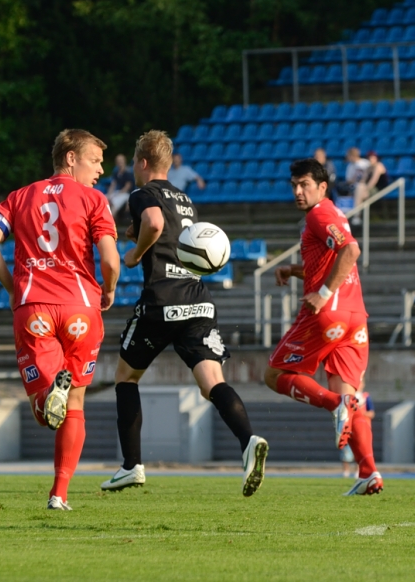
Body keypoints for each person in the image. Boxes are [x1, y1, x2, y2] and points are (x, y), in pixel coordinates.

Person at [101, 130, 268, 497]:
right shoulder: (187, 201)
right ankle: (248, 439)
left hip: (161, 300)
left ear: (142, 163)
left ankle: (131, 467)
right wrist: (140, 236)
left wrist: (134, 254)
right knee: (212, 382)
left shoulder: (141, 193)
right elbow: (172, 236)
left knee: (126, 377)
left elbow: (155, 225)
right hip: (197, 300)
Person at [0, 129, 120, 510]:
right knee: (75, 402)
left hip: (33, 307)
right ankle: (59, 494)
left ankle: (46, 396)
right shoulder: (94, 199)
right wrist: (108, 289)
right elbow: (109, 259)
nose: (100, 170)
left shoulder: (19, 197)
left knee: (44, 415)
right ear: (70, 158)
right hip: (81, 308)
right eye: (95, 160)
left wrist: (12, 286)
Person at [263, 158, 383, 496]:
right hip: (355, 317)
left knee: (273, 375)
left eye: (305, 185)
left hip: (327, 314)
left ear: (322, 187)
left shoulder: (319, 214)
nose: (298, 192)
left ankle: (334, 406)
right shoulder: (329, 215)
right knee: (350, 395)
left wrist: (323, 293)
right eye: (294, 186)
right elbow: (329, 259)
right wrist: (294, 270)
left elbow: (351, 250)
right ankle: (369, 472)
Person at [341, 383, 376, 478]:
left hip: (362, 428)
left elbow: (372, 413)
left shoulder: (365, 397)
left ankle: (358, 471)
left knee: (360, 450)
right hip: (349, 427)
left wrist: (361, 413)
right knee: (346, 451)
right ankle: (346, 471)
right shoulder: (348, 396)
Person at [353, 150, 389, 219]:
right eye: (369, 158)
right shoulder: (368, 168)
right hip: (369, 189)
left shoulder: (379, 166)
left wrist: (365, 190)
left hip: (379, 189)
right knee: (359, 188)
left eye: (372, 158)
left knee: (360, 192)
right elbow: (363, 180)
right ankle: (358, 216)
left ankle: (357, 215)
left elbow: (373, 181)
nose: (371, 159)